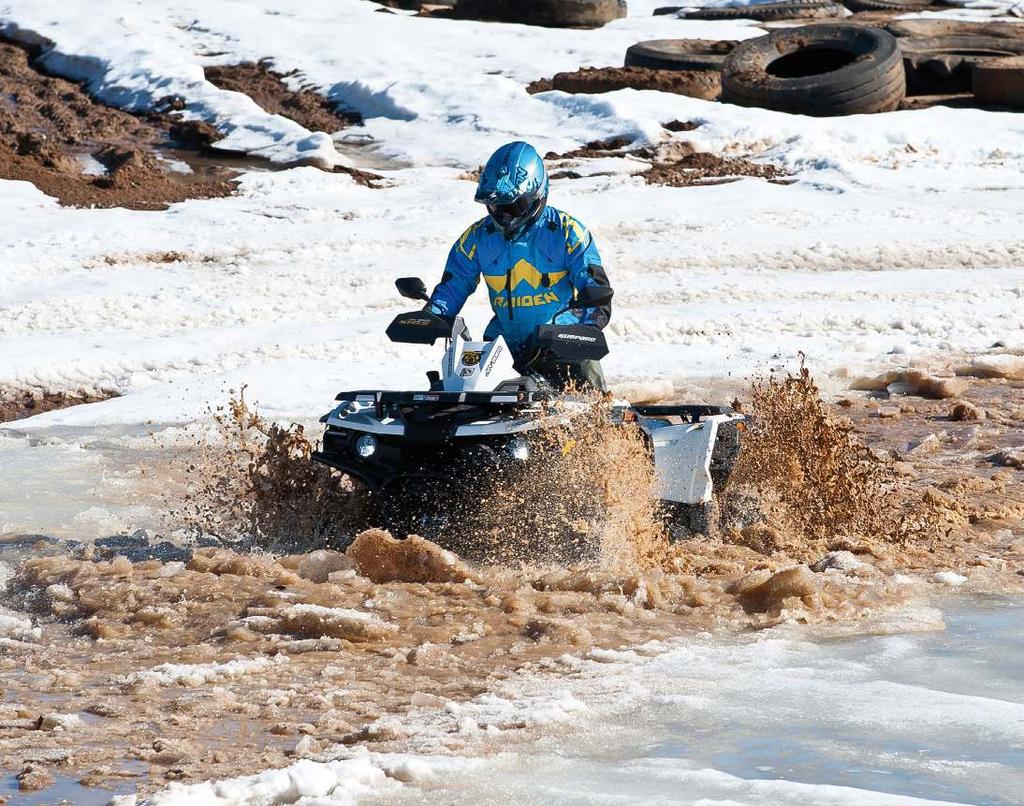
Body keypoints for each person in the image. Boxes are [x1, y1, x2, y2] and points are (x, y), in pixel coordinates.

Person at [427, 141, 613, 391]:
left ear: (538, 194)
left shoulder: (568, 232)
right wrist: (434, 316)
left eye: (514, 206)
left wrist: (580, 329)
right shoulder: (476, 238)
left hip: (562, 347)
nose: (506, 216)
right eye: (497, 207)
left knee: (592, 416)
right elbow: (454, 285)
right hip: (502, 350)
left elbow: (596, 292)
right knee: (455, 402)